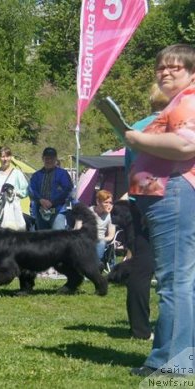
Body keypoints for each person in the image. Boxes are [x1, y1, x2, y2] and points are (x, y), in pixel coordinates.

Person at [124, 44, 195, 377]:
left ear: (191, 72)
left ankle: (175, 367)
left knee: (174, 282)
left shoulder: (190, 99)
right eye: (160, 67)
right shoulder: (178, 101)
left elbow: (185, 145)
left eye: (175, 68)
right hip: (167, 194)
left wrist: (136, 140)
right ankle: (165, 358)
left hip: (175, 192)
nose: (165, 72)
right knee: (176, 282)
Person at [115, 83, 169, 341]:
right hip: (169, 202)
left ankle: (139, 328)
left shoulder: (135, 127)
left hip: (138, 201)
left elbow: (129, 168)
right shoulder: (175, 126)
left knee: (141, 266)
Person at [0, 146, 29, 226]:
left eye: (7, 156)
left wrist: (15, 193)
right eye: (3, 156)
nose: (5, 159)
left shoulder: (17, 173)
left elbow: (27, 190)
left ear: (11, 157)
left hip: (12, 212)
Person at [28, 147, 72, 231]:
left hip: (58, 211)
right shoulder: (36, 175)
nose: (49, 161)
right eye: (46, 158)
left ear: (55, 159)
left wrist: (52, 202)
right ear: (43, 159)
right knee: (43, 239)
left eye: (51, 158)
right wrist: (40, 200)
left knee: (58, 238)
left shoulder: (62, 174)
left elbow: (67, 189)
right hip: (40, 211)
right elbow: (31, 189)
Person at [89, 190, 116, 265]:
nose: (109, 205)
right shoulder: (88, 211)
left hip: (100, 241)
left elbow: (111, 235)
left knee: (100, 243)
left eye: (110, 203)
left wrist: (102, 239)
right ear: (98, 202)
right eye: (106, 202)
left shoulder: (110, 216)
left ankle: (94, 265)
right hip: (87, 239)